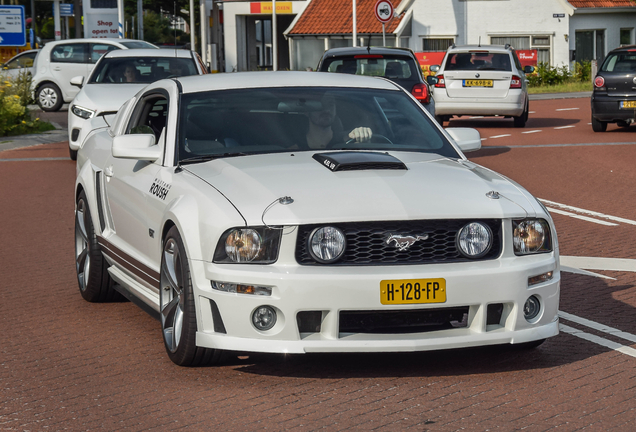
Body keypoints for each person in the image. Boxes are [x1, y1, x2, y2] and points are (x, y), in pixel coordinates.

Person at [304, 94, 372, 149]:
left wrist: (362, 136)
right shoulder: (296, 145)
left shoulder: (348, 140)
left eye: (330, 105)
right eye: (320, 105)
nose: (327, 110)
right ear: (307, 112)